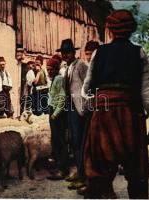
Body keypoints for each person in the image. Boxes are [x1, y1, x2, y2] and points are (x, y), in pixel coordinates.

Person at [82, 10, 149, 198]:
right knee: (137, 172)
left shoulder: (99, 53)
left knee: (97, 170)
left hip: (103, 114)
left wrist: (98, 104)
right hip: (130, 116)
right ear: (131, 30)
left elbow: (86, 89)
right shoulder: (138, 52)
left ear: (110, 30)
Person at [57, 39, 88, 191]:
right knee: (73, 141)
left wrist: (87, 106)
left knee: (80, 141)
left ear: (73, 53)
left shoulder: (81, 65)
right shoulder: (68, 68)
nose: (65, 55)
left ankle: (84, 176)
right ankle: (80, 172)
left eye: (68, 52)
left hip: (80, 108)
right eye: (63, 53)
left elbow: (89, 84)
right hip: (70, 107)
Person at [45, 56, 69, 180]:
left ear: (56, 69)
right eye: (47, 69)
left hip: (57, 113)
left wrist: (55, 113)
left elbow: (62, 97)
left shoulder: (59, 79)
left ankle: (63, 169)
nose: (49, 72)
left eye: (51, 69)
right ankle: (59, 166)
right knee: (55, 141)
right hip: (53, 110)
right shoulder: (54, 79)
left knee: (60, 141)